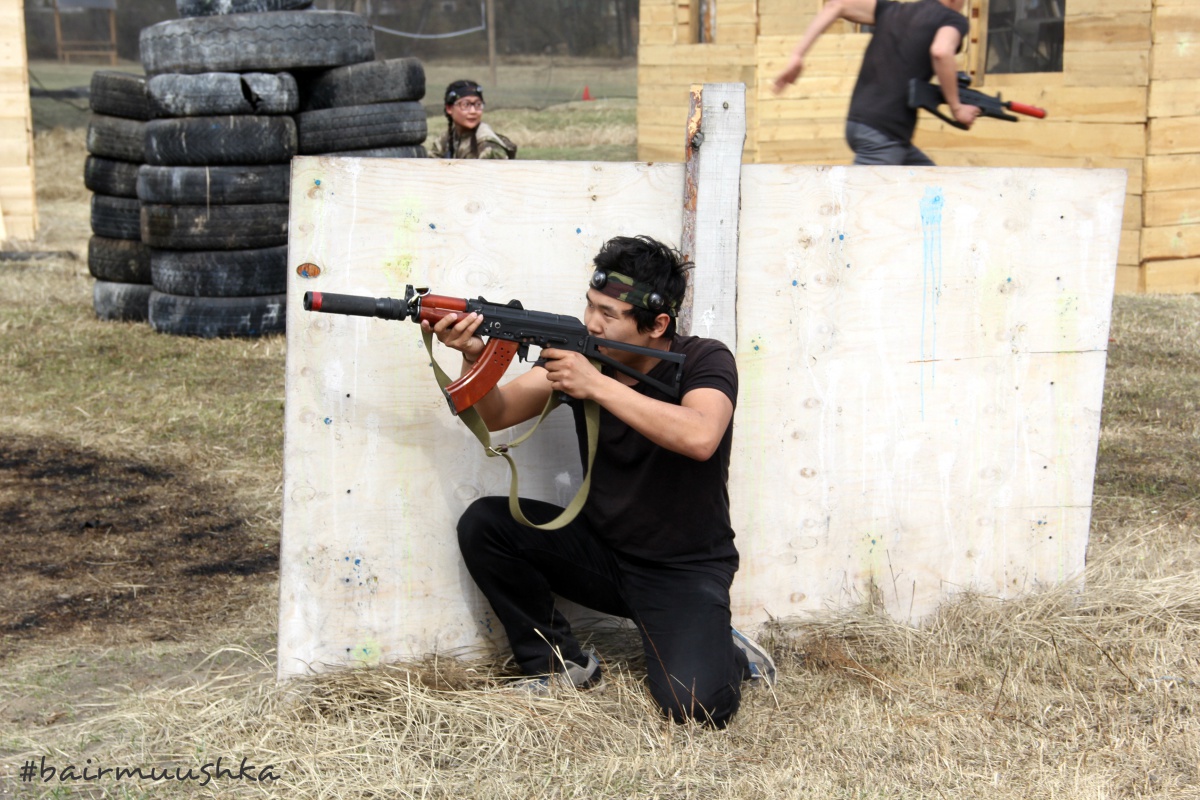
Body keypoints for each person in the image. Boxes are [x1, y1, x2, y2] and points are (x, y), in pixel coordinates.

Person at [425, 235, 775, 728]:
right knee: (486, 523)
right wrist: (472, 356)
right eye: (590, 305)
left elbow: (700, 436)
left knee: (696, 708)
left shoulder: (705, 359)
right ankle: (557, 664)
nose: (591, 322)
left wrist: (596, 385)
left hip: (683, 570)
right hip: (602, 554)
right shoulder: (583, 357)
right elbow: (496, 414)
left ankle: (722, 651)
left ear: (658, 324)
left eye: (608, 314)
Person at [772, 0, 982, 166]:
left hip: (863, 125)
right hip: (883, 134)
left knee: (934, 186)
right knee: (859, 204)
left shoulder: (893, 11)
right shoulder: (951, 19)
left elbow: (836, 4)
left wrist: (797, 55)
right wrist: (956, 107)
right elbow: (941, 51)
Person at [429, 79, 517, 160]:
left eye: (478, 104)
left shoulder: (488, 147)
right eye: (465, 105)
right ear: (449, 108)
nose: (473, 111)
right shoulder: (446, 140)